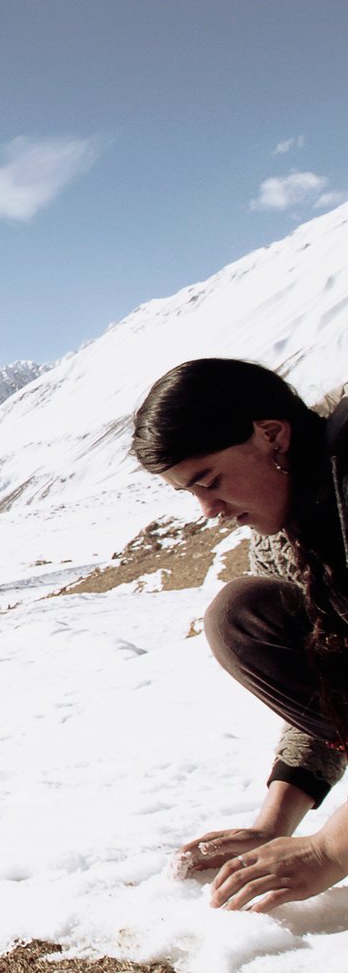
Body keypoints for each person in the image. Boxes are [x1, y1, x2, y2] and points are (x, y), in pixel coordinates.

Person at [132, 358, 348, 913]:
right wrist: (273, 826)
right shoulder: (286, 534)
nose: (208, 511)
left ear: (272, 435)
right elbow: (329, 690)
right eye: (191, 493)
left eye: (210, 482)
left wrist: (330, 850)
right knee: (243, 616)